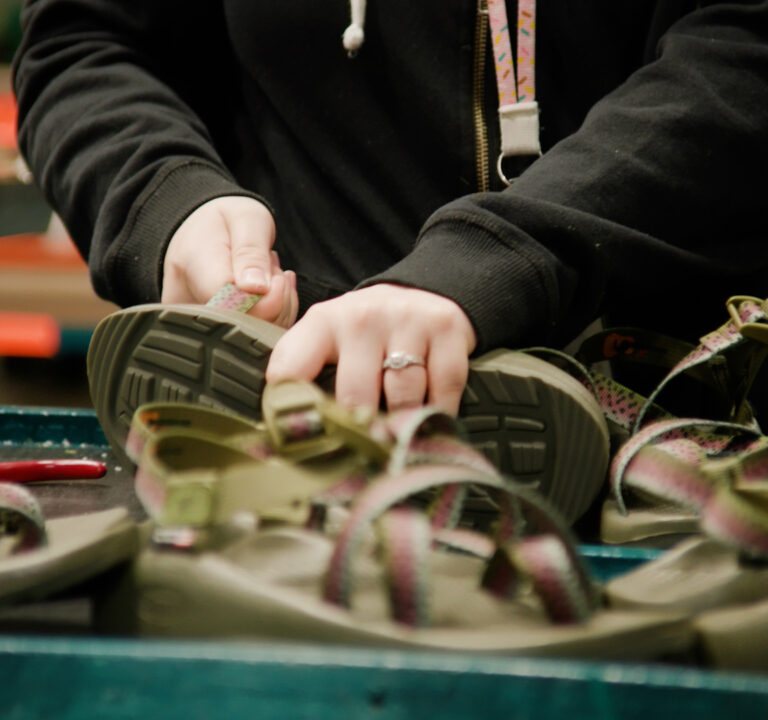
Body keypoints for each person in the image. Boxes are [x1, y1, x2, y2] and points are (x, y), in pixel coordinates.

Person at [12, 0, 768, 416]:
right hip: (288, 420)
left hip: (671, 428)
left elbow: (744, 49)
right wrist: (166, 202)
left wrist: (488, 265)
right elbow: (87, 39)